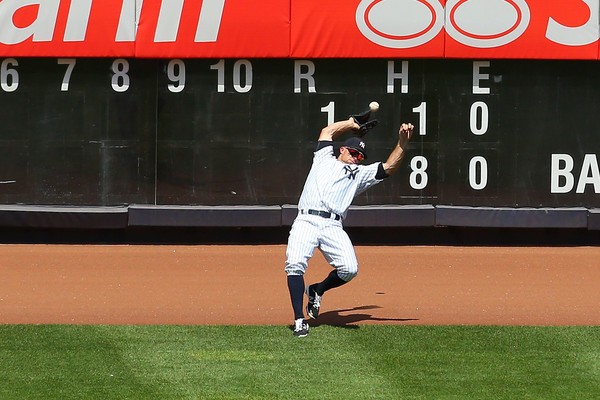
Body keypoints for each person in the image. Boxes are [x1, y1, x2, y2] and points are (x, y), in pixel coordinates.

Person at [284, 116, 414, 337]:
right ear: (342, 150)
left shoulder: (359, 174)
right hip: (306, 219)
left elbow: (389, 167)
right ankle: (299, 320)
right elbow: (327, 131)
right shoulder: (324, 158)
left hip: (333, 225)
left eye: (360, 156)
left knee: (350, 269)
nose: (357, 158)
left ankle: (318, 289)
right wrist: (352, 123)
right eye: (354, 153)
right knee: (294, 265)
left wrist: (403, 142)